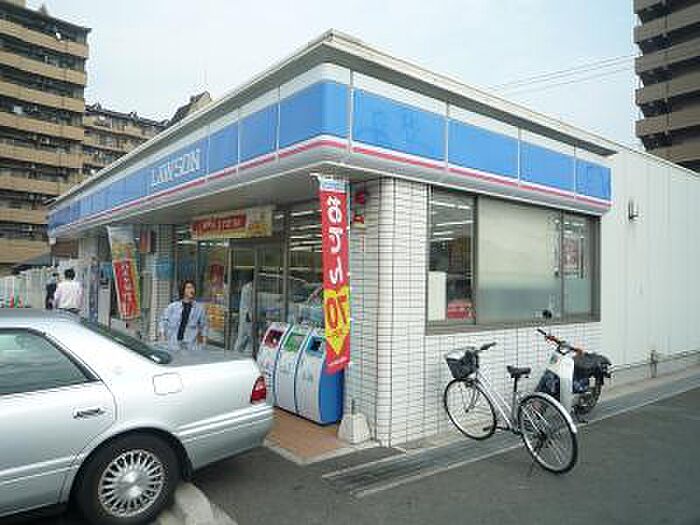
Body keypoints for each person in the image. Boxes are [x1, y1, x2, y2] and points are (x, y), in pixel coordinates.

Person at [159, 280, 208, 351]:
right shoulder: (173, 306)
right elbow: (163, 321)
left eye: (193, 288)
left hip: (190, 345)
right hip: (173, 343)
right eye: (188, 288)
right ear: (183, 290)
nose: (191, 290)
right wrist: (162, 336)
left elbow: (204, 325)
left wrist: (204, 343)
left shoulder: (199, 308)